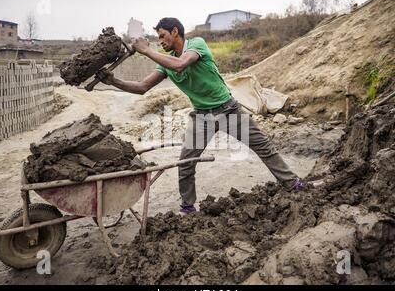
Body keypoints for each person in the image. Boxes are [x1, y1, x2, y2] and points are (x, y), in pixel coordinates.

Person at [97, 17, 307, 216]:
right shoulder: (165, 64)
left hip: (228, 110)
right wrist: (113, 81)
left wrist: (146, 50)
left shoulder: (196, 44)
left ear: (175, 32)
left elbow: (181, 64)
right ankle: (188, 207)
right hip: (202, 118)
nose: (160, 41)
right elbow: (142, 87)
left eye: (162, 36)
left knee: (263, 147)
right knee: (186, 163)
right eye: (157, 38)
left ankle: (292, 183)